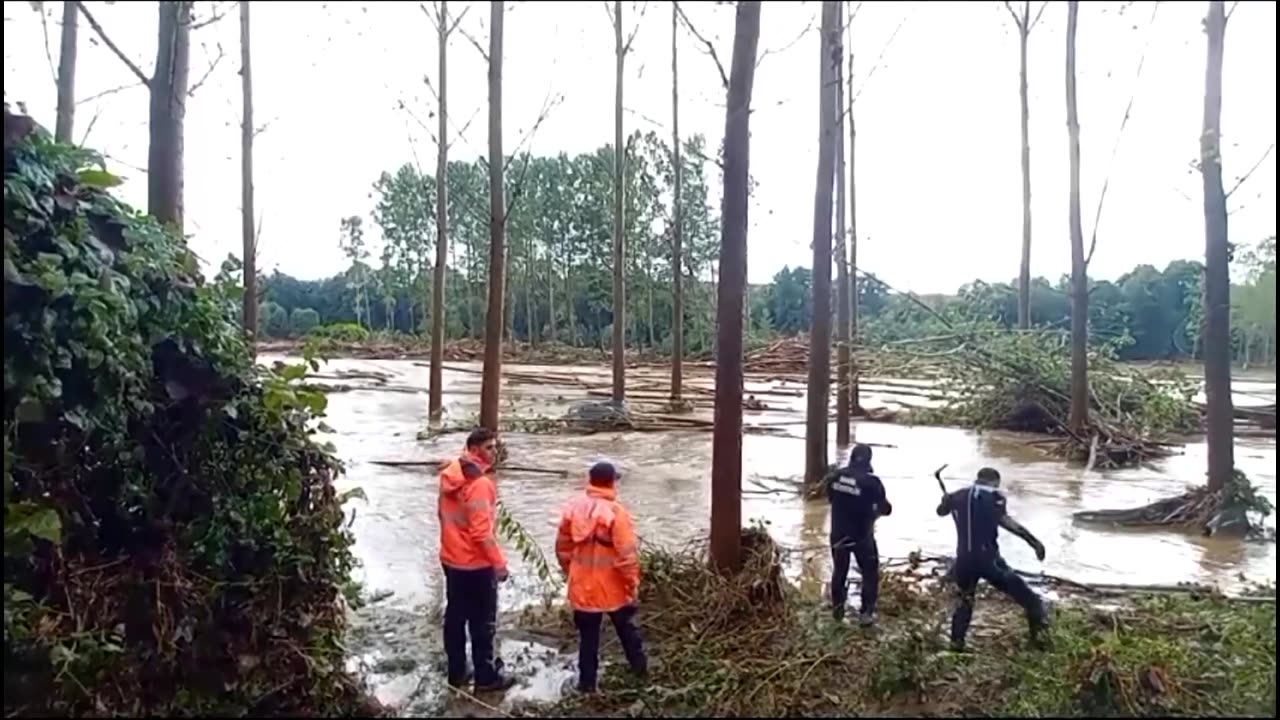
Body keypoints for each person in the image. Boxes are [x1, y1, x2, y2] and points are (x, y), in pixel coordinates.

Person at [554, 461, 648, 694]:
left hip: (583, 587)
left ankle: (587, 686)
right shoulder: (616, 513)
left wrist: (570, 572)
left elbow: (562, 547)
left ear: (591, 480)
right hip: (613, 588)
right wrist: (632, 585)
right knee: (627, 631)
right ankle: (640, 673)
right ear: (612, 482)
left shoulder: (573, 509)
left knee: (588, 640)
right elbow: (627, 556)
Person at [936, 467, 1049, 652]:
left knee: (964, 602)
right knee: (1031, 600)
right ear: (995, 481)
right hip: (989, 562)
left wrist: (945, 502)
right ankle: (1039, 645)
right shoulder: (995, 497)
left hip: (963, 562)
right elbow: (1008, 524)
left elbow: (941, 511)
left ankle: (956, 646)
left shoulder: (957, 496)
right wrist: (1034, 542)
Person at [438, 427, 515, 692]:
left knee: (456, 617)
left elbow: (445, 518)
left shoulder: (450, 473)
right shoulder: (480, 485)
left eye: (495, 447)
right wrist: (499, 564)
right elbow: (482, 533)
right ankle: (486, 677)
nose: (495, 452)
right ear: (473, 450)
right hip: (475, 565)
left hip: (451, 560)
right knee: (483, 623)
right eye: (489, 448)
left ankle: (457, 672)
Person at [826, 443, 892, 626]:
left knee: (839, 571)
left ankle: (838, 612)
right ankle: (866, 614)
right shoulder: (872, 482)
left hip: (838, 534)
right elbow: (885, 508)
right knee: (870, 573)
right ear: (869, 460)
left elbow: (830, 498)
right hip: (862, 536)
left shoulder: (835, 477)